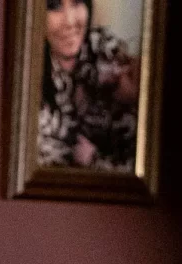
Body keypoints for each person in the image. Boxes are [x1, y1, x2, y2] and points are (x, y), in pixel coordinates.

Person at [36, 0, 140, 170]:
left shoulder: (107, 51)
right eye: (54, 6)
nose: (70, 21)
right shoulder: (28, 75)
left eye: (77, 2)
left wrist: (95, 160)